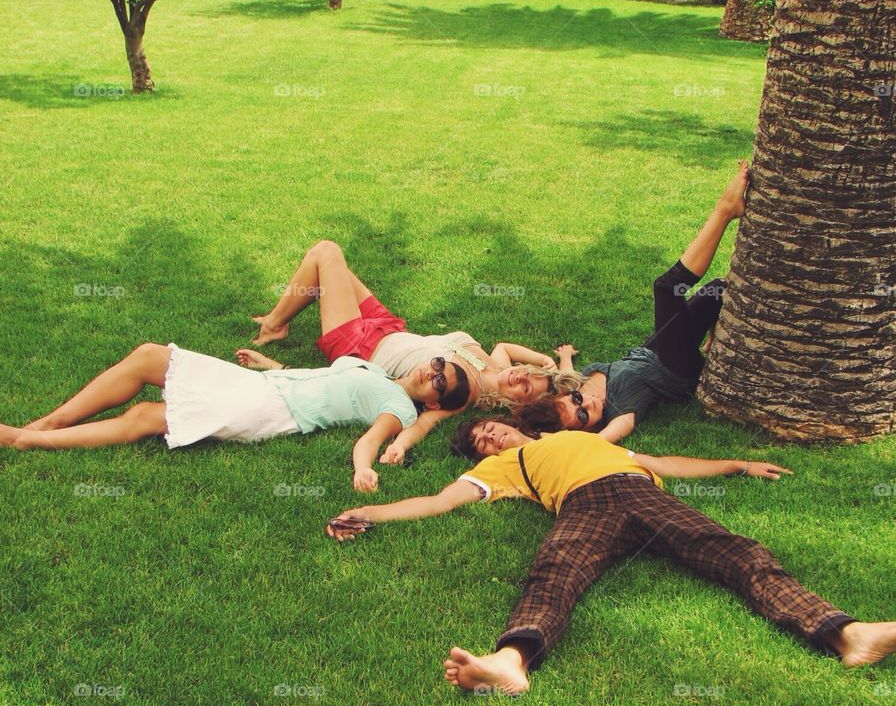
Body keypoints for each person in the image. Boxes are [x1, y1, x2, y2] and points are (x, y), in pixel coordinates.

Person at [327, 421, 896, 695]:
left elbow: (666, 465)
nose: (489, 439)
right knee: (555, 572)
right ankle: (511, 661)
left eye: (491, 429)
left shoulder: (581, 439)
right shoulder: (501, 468)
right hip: (584, 507)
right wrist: (369, 513)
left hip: (640, 494)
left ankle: (847, 633)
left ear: (515, 424)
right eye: (479, 440)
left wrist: (738, 464)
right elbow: (438, 501)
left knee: (738, 553)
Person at [249, 239, 581, 463]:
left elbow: (424, 424)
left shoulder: (467, 394)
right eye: (528, 375)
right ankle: (280, 319)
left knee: (326, 252)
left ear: (516, 405)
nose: (520, 376)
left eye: (524, 387)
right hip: (388, 326)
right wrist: (549, 362)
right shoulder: (496, 365)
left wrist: (398, 445)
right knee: (332, 270)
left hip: (360, 347)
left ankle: (275, 324)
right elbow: (505, 348)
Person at [0, 343, 469, 492]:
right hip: (267, 386)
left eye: (441, 384)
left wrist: (364, 465)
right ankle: (51, 422)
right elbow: (322, 380)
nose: (433, 374)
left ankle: (26, 440)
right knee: (148, 356)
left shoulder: (400, 408)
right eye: (437, 365)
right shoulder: (373, 369)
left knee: (149, 416)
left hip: (271, 410)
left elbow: (373, 439)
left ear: (434, 404)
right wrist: (270, 365)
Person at [515, 161, 748, 444]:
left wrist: (564, 357)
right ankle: (726, 209)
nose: (586, 404)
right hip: (675, 369)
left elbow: (567, 379)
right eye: (583, 416)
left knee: (718, 290)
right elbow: (602, 441)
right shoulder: (620, 411)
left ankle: (711, 330)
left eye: (575, 400)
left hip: (653, 350)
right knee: (667, 289)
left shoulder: (578, 386)